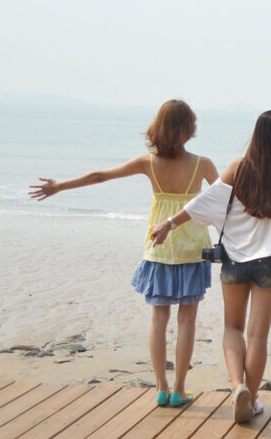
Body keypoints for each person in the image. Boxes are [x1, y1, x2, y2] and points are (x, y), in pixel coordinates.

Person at [151, 110, 271, 424]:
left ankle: (237, 386)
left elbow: (202, 203)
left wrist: (170, 223)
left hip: (234, 259)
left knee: (233, 327)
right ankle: (252, 400)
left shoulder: (238, 168)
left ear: (257, 138)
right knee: (257, 335)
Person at [30, 99, 217, 408]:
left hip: (158, 249)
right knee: (187, 321)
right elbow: (222, 199)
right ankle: (180, 389)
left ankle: (161, 387)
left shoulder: (149, 162)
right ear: (189, 130)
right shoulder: (203, 164)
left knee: (159, 319)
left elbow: (100, 176)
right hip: (192, 250)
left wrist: (60, 186)